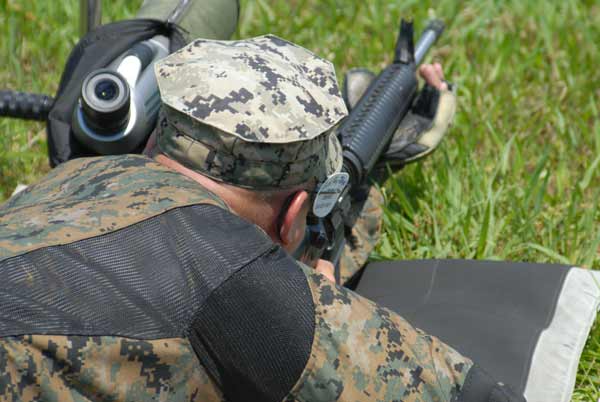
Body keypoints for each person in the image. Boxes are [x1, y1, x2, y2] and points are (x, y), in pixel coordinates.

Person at [0, 35, 523, 401]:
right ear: (295, 216)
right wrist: (318, 307)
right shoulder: (242, 283)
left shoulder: (69, 180)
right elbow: (464, 393)